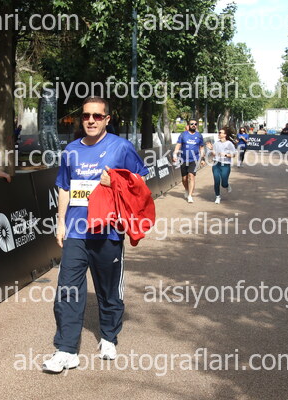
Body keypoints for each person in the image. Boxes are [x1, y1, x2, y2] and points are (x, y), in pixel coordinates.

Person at [42, 96, 149, 373]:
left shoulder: (121, 147)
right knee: (67, 289)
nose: (91, 120)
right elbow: (64, 187)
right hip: (77, 231)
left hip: (108, 231)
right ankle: (66, 350)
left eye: (97, 116)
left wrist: (116, 181)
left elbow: (140, 180)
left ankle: (109, 337)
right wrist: (60, 222)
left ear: (107, 119)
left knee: (108, 290)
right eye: (86, 115)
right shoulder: (71, 150)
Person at [172, 119, 205, 203]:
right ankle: (187, 189)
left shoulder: (199, 135)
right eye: (192, 124)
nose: (194, 125)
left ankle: (190, 195)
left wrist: (202, 159)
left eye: (195, 124)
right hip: (183, 159)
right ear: (188, 125)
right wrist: (175, 154)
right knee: (184, 179)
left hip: (194, 159)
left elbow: (201, 148)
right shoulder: (183, 135)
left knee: (191, 176)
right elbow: (178, 145)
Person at [206, 128, 236, 204]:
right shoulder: (216, 143)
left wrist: (225, 155)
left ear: (225, 135)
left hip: (225, 164)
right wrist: (211, 149)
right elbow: (214, 154)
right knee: (216, 181)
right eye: (218, 132)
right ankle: (217, 196)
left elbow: (233, 155)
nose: (218, 134)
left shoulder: (229, 144)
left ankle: (227, 185)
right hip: (216, 164)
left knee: (224, 183)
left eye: (220, 133)